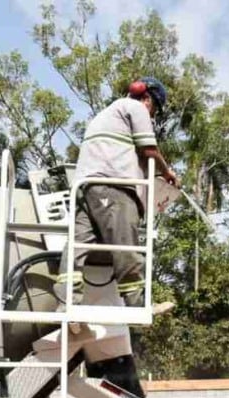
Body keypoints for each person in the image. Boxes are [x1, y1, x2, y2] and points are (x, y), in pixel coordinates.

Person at [73, 76, 178, 311]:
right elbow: (149, 149)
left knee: (77, 246)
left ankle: (68, 302)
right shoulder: (135, 107)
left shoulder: (106, 114)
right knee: (126, 244)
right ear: (148, 98)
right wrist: (167, 172)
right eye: (155, 110)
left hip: (85, 188)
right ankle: (136, 303)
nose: (151, 116)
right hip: (113, 187)